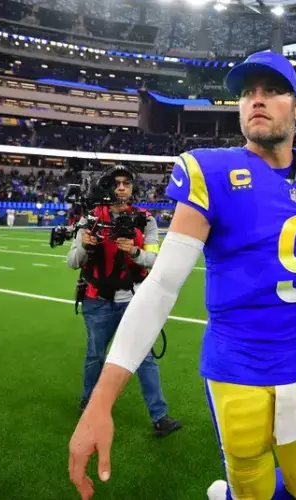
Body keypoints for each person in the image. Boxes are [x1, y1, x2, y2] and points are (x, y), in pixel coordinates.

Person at [68, 51, 296, 500]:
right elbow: (161, 285)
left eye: (272, 90)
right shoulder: (212, 171)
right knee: (252, 491)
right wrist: (101, 400)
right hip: (237, 371)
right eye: (246, 93)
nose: (256, 101)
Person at [66, 164, 181, 438]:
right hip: (97, 300)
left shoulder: (145, 220)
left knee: (146, 358)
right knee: (95, 354)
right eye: (115, 183)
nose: (120, 188)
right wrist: (85, 244)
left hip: (134, 299)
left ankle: (160, 416)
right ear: (106, 186)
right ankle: (88, 402)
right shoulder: (90, 218)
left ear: (132, 188)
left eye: (125, 183)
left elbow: (155, 261)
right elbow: (72, 262)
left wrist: (135, 252)